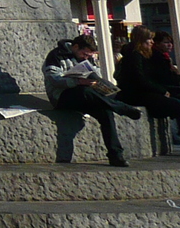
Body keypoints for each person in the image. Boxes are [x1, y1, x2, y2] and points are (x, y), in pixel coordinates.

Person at [42, 33, 138, 167]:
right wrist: (78, 81)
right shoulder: (56, 55)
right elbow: (53, 79)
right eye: (84, 54)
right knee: (84, 91)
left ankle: (115, 155)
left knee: (106, 112)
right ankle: (120, 107)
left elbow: (96, 73)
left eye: (88, 55)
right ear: (75, 47)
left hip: (87, 96)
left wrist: (94, 80)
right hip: (62, 96)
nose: (85, 57)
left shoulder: (87, 59)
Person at [117, 27, 180, 159]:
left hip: (149, 93)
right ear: (141, 40)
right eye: (149, 39)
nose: (151, 42)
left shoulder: (142, 55)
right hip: (141, 95)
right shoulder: (134, 56)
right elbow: (140, 79)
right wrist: (162, 90)